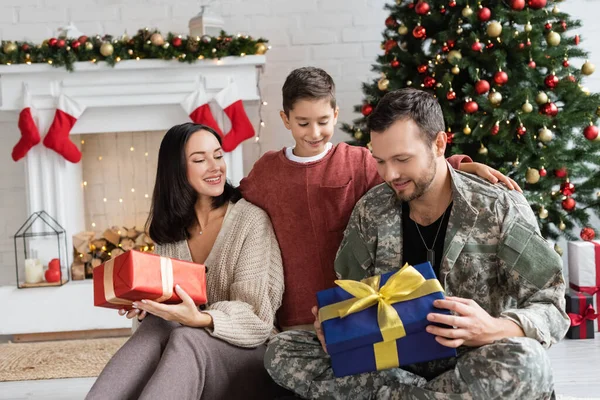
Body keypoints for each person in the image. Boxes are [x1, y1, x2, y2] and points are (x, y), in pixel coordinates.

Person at [264, 88, 569, 400]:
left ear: (438, 144)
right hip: (391, 361)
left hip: (471, 362)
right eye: (380, 161)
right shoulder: (371, 210)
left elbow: (553, 307)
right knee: (282, 351)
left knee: (528, 361)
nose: (390, 174)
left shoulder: (499, 208)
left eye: (402, 159)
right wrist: (334, 327)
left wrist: (492, 327)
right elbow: (352, 295)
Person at [240, 67, 522, 331]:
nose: (314, 132)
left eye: (323, 121)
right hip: (294, 310)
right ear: (285, 119)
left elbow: (410, 176)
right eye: (303, 123)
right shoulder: (267, 171)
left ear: (335, 115)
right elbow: (236, 205)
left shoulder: (358, 160)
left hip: (357, 306)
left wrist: (460, 166)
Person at [87, 123, 285, 400]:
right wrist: (149, 306)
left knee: (186, 337)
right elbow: (172, 303)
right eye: (200, 160)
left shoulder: (250, 221)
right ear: (177, 170)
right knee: (157, 326)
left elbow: (256, 318)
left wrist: (201, 318)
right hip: (191, 355)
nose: (215, 166)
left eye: (218, 155)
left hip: (251, 357)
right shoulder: (171, 231)